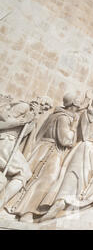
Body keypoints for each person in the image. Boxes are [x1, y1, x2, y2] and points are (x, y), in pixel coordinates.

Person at [6, 92, 80, 223]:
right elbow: (65, 139)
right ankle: (25, 211)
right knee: (46, 180)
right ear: (73, 104)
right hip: (50, 152)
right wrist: (74, 128)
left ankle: (24, 210)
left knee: (40, 179)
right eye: (77, 104)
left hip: (44, 149)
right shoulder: (63, 118)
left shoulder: (57, 115)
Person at [0, 101, 34, 209]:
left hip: (11, 143)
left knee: (6, 178)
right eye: (45, 104)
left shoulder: (29, 114)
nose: (45, 108)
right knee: (25, 172)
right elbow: (3, 122)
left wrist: (32, 120)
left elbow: (23, 134)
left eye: (48, 107)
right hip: (5, 141)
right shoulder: (24, 106)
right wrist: (21, 121)